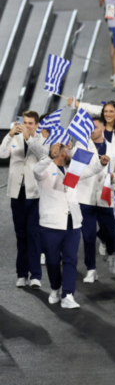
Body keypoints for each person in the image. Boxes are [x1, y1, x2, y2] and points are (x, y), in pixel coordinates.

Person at [34, 142, 109, 309]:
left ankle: (68, 294)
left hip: (72, 222)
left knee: (70, 259)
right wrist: (48, 156)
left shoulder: (72, 170)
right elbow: (36, 171)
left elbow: (89, 171)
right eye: (66, 150)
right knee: (53, 261)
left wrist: (101, 163)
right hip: (51, 224)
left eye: (68, 150)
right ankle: (55, 288)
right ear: (59, 153)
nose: (68, 153)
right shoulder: (45, 170)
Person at [75, 117, 115, 282]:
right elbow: (76, 174)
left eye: (94, 127)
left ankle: (111, 252)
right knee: (88, 236)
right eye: (89, 127)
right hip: (85, 198)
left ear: (103, 127)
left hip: (105, 198)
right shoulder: (80, 147)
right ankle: (91, 269)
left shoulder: (114, 149)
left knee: (110, 234)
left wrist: (113, 176)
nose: (91, 130)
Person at [1, 112, 45, 289]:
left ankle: (35, 275)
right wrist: (10, 134)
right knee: (21, 235)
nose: (27, 126)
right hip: (16, 193)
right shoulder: (14, 138)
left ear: (36, 125)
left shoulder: (42, 139)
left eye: (30, 123)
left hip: (34, 194)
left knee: (33, 234)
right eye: (25, 123)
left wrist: (28, 139)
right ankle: (21, 274)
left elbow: (42, 155)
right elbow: (2, 153)